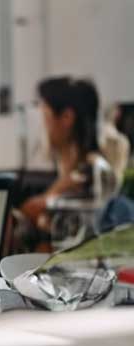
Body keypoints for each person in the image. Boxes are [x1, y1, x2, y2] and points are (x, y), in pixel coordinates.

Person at [17, 77, 131, 251]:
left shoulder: (90, 174)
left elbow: (32, 211)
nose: (43, 127)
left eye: (45, 116)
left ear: (66, 118)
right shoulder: (70, 174)